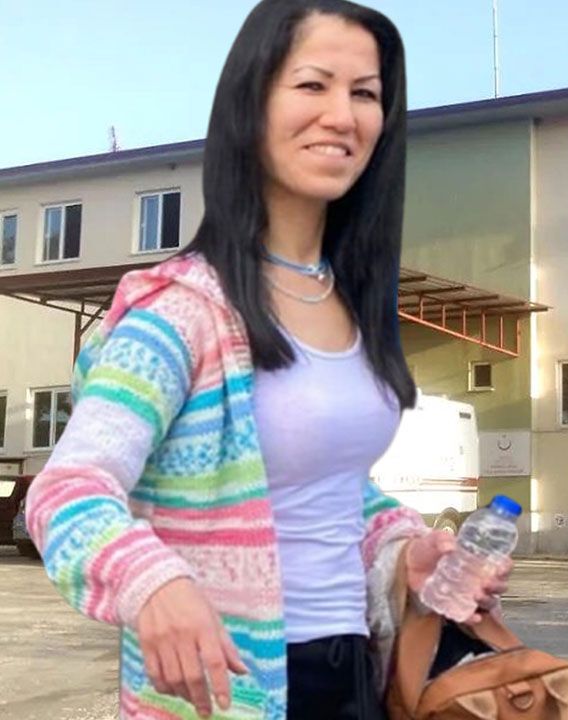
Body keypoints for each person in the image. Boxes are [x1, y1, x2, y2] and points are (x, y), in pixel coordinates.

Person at [24, 1, 509, 718]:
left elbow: (325, 492)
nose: (341, 116)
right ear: (251, 104)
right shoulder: (181, 311)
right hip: (230, 689)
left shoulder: (351, 304)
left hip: (353, 674)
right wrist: (154, 584)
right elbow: (67, 490)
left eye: (365, 93)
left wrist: (405, 551)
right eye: (313, 84)